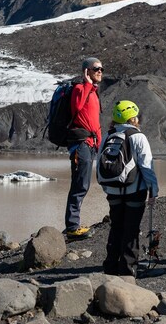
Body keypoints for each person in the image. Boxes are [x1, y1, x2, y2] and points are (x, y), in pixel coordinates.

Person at [99, 100, 159, 277]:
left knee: (116, 227)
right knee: (131, 230)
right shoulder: (137, 136)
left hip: (112, 191)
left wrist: (108, 189)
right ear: (133, 117)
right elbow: (147, 167)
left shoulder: (107, 136)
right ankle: (127, 271)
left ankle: (110, 268)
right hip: (134, 191)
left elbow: (100, 167)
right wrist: (153, 191)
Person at [64, 57, 104, 240]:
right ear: (87, 71)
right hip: (81, 145)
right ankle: (72, 227)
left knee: (83, 184)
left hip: (90, 145)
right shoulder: (80, 89)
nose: (100, 71)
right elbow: (77, 108)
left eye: (102, 69)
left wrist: (99, 144)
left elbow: (94, 123)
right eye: (96, 68)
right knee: (80, 185)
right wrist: (87, 84)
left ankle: (73, 225)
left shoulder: (93, 93)